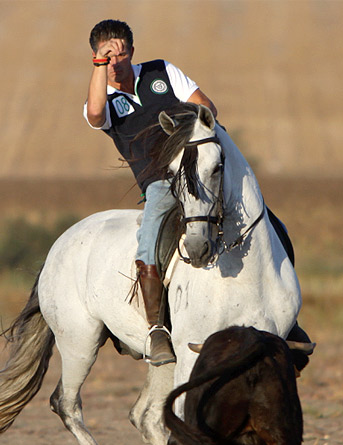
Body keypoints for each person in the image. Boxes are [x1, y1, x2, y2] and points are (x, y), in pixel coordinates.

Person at [84, 19, 218, 367]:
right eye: (106, 56)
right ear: (96, 57)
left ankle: (285, 317)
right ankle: (156, 328)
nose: (115, 62)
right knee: (153, 227)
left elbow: (207, 110)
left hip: (195, 167)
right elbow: (96, 115)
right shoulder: (104, 100)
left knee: (250, 202)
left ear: (131, 51)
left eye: (121, 53)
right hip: (160, 181)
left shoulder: (163, 71)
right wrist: (99, 66)